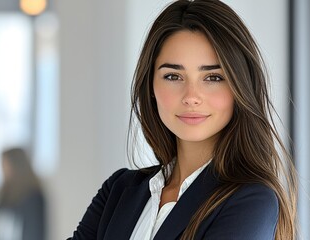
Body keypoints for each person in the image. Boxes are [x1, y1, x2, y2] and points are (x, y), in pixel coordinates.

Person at [69, 0, 297, 239]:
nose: (191, 97)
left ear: (239, 87)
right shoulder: (118, 191)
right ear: (150, 86)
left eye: (213, 77)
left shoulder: (251, 201)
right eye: (173, 76)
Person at [0, 147, 46, 240]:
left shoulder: (33, 196)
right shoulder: (5, 194)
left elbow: (35, 231)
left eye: (5, 165)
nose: (3, 169)